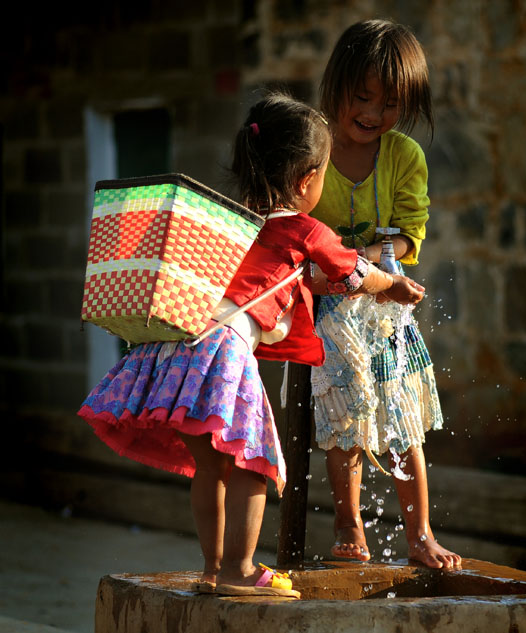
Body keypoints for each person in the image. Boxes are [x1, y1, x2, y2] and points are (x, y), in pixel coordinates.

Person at [77, 90, 425, 596]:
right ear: (308, 180)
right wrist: (392, 285)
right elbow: (355, 271)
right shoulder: (305, 229)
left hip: (175, 350)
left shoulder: (232, 224)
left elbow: (289, 282)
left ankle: (214, 570)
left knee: (211, 468)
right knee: (252, 462)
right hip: (222, 355)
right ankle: (241, 569)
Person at [310, 19, 461, 569]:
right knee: (344, 424)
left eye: (391, 104)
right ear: (336, 86)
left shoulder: (403, 158)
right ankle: (350, 526)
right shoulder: (314, 146)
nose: (374, 113)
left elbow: (409, 234)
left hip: (385, 304)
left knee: (401, 421)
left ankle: (420, 534)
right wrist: (332, 270)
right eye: (362, 97)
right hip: (327, 311)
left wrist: (361, 261)